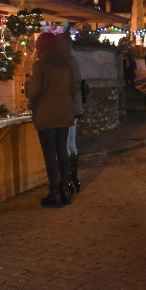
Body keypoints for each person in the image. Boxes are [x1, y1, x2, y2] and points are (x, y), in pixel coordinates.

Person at [27, 32, 77, 208]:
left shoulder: (40, 65)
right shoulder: (66, 64)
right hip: (64, 113)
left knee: (50, 155)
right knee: (62, 151)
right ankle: (65, 191)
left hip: (46, 115)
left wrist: (31, 104)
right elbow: (74, 88)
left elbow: (32, 92)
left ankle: (54, 193)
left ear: (40, 46)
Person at [55, 33, 83, 196]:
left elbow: (69, 86)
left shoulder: (65, 61)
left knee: (65, 143)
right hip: (74, 108)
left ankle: (68, 180)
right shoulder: (72, 60)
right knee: (71, 142)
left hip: (67, 109)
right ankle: (74, 178)